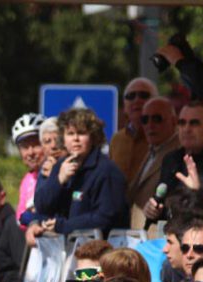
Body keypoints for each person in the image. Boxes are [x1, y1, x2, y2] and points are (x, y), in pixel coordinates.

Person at [32, 109, 128, 238]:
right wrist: (59, 180)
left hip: (101, 249)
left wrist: (64, 226)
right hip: (66, 248)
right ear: (63, 139)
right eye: (70, 134)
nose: (75, 139)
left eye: (81, 133)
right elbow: (42, 206)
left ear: (93, 137)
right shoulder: (61, 166)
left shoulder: (106, 171)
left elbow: (106, 217)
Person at [145, 101, 203, 223]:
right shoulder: (171, 160)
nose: (186, 129)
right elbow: (162, 203)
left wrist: (198, 194)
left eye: (194, 123)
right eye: (182, 123)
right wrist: (152, 210)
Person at [127, 96, 180, 229]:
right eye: (145, 120)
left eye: (157, 119)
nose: (150, 125)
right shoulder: (151, 150)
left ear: (174, 122)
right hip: (140, 234)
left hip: (158, 235)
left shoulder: (177, 153)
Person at [110, 78, 157, 183]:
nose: (137, 100)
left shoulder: (166, 135)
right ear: (124, 105)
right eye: (130, 96)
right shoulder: (117, 139)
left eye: (143, 95)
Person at [11, 113, 46, 224]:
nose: (30, 152)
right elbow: (19, 219)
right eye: (25, 147)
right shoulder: (27, 179)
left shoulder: (59, 173)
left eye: (36, 145)